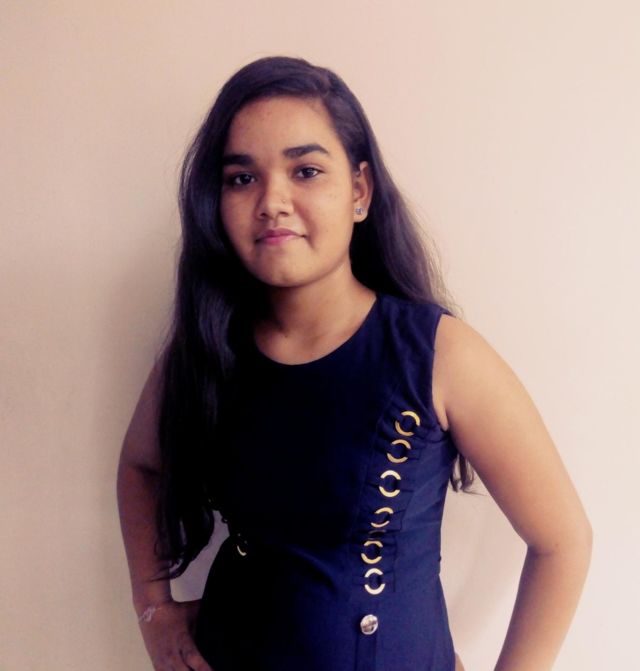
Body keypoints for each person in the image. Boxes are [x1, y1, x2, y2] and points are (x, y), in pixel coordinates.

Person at [117, 55, 592, 671]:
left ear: (360, 191)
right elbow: (141, 466)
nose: (272, 201)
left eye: (306, 170)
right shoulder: (206, 348)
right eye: (242, 178)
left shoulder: (437, 353)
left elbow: (563, 542)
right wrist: (153, 609)